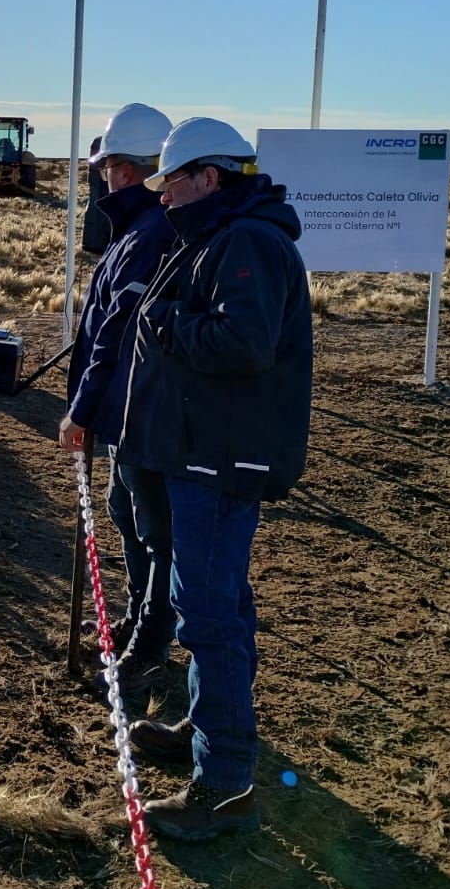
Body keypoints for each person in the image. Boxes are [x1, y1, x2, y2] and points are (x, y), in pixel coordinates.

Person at [115, 117, 313, 841]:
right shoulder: (217, 237)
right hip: (200, 456)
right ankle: (204, 732)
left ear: (211, 177)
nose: (162, 196)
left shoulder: (246, 242)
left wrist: (164, 320)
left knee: (210, 617)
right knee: (216, 603)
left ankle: (225, 786)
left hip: (220, 463)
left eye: (172, 182)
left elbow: (242, 342)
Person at [58, 103, 176, 693]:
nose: (102, 178)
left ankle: (151, 646)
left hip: (142, 415)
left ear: (125, 171)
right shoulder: (141, 230)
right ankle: (136, 621)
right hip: (128, 411)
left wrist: (81, 410)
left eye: (105, 169)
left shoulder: (149, 234)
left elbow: (114, 334)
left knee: (156, 531)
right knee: (127, 513)